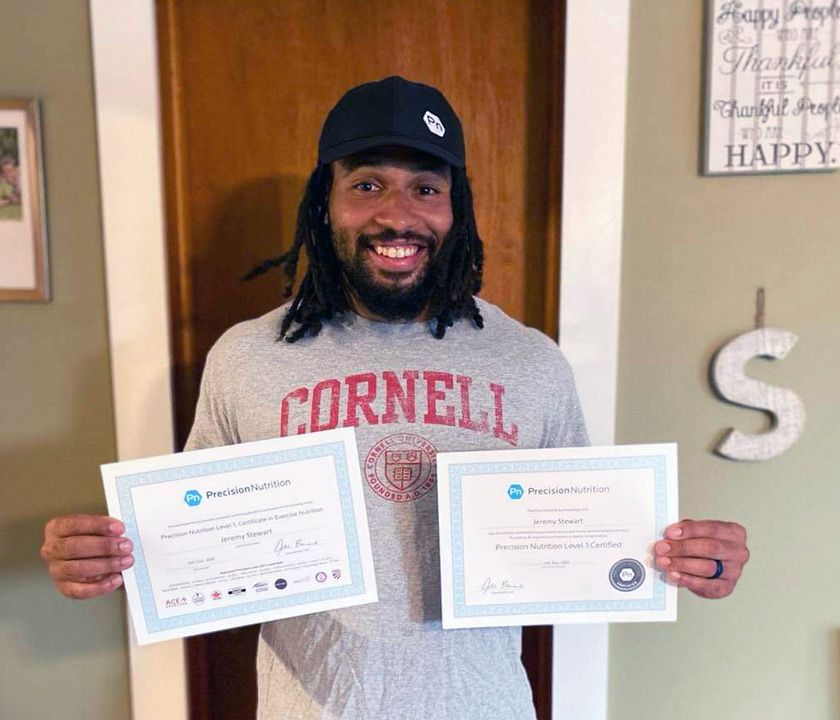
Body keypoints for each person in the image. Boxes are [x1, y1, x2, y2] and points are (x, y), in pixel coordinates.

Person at [40, 77, 750, 719]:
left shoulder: (532, 363)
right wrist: (108, 556)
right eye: (368, 185)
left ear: (455, 207)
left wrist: (681, 556)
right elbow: (190, 549)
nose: (398, 215)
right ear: (326, 203)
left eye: (425, 187)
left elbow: (582, 540)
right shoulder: (246, 359)